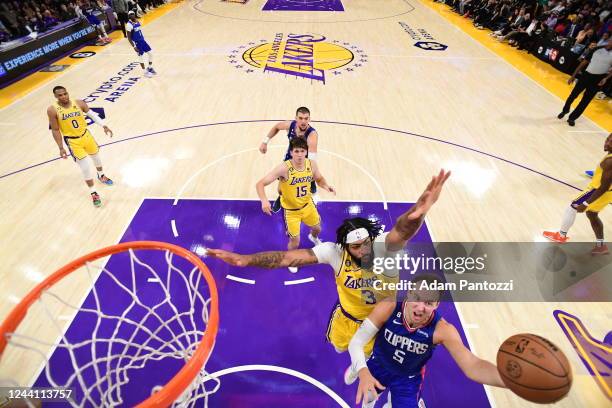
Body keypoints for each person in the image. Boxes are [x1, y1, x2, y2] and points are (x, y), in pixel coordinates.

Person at [207, 170, 451, 354]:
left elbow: (402, 230)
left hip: (381, 325)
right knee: (339, 349)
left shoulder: (383, 247)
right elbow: (288, 258)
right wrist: (245, 259)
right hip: (345, 319)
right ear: (345, 247)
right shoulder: (334, 252)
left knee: (374, 371)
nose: (364, 249)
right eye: (356, 247)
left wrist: (418, 213)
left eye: (366, 243)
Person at [347, 274, 506, 408]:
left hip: (408, 379)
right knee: (367, 397)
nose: (421, 307)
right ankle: (358, 367)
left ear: (437, 305)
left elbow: (472, 365)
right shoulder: (390, 306)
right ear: (409, 293)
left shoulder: (442, 329)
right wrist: (363, 371)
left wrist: (509, 380)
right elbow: (356, 343)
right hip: (379, 364)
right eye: (417, 298)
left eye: (429, 303)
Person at [256, 138, 335, 273]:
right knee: (295, 241)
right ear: (291, 152)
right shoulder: (284, 168)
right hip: (291, 212)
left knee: (317, 228)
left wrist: (326, 186)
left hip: (308, 206)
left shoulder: (312, 164)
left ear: (306, 152)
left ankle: (313, 237)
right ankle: (291, 260)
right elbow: (260, 184)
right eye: (296, 151)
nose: (299, 154)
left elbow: (319, 178)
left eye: (302, 151)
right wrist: (264, 200)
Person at [543, 133, 612, 255]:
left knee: (572, 207)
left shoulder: (610, 162)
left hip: (597, 190)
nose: (606, 143)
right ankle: (601, 246)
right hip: (608, 193)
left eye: (611, 142)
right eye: (607, 139)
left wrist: (586, 202)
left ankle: (561, 235)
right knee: (592, 214)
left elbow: (603, 186)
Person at [47, 86, 114, 207]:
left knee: (96, 158)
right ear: (56, 97)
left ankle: (101, 175)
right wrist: (61, 147)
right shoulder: (52, 110)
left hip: (86, 135)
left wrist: (104, 125)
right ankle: (93, 192)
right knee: (85, 167)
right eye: (60, 95)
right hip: (73, 141)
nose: (63, 96)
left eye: (65, 94)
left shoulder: (79, 103)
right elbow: (55, 130)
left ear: (67, 93)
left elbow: (92, 114)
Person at [259, 107, 319, 212]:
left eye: (306, 118)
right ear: (296, 118)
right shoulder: (290, 125)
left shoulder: (312, 135)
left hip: (304, 160)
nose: (303, 121)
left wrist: (306, 176)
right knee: (282, 187)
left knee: (299, 183)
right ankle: (281, 197)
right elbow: (276, 127)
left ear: (309, 119)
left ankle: (312, 182)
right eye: (300, 118)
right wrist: (265, 141)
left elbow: (311, 161)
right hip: (290, 158)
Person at [557, 41, 612, 126]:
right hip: (586, 76)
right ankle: (565, 110)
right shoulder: (596, 49)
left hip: (598, 80)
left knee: (585, 101)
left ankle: (572, 118)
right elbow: (583, 62)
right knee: (573, 95)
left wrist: (606, 78)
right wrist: (573, 76)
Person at [126, 10, 156, 77]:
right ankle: (145, 72)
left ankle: (150, 68)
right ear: (129, 16)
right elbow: (129, 37)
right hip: (137, 43)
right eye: (130, 14)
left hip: (143, 41)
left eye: (133, 14)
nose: (132, 15)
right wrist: (134, 46)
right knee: (141, 57)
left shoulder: (137, 21)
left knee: (151, 54)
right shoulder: (128, 25)